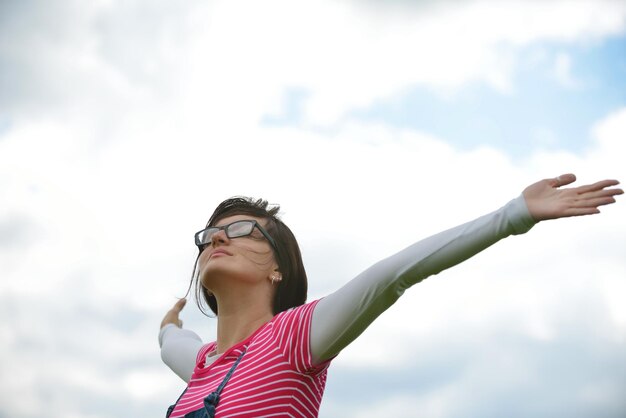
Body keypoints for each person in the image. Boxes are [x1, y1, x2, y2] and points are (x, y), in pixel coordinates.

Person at [159, 173, 621, 418]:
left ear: (279, 268)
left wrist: (514, 214)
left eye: (240, 230)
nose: (218, 239)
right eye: (210, 235)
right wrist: (171, 322)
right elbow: (168, 345)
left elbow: (391, 275)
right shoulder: (203, 366)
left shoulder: (292, 339)